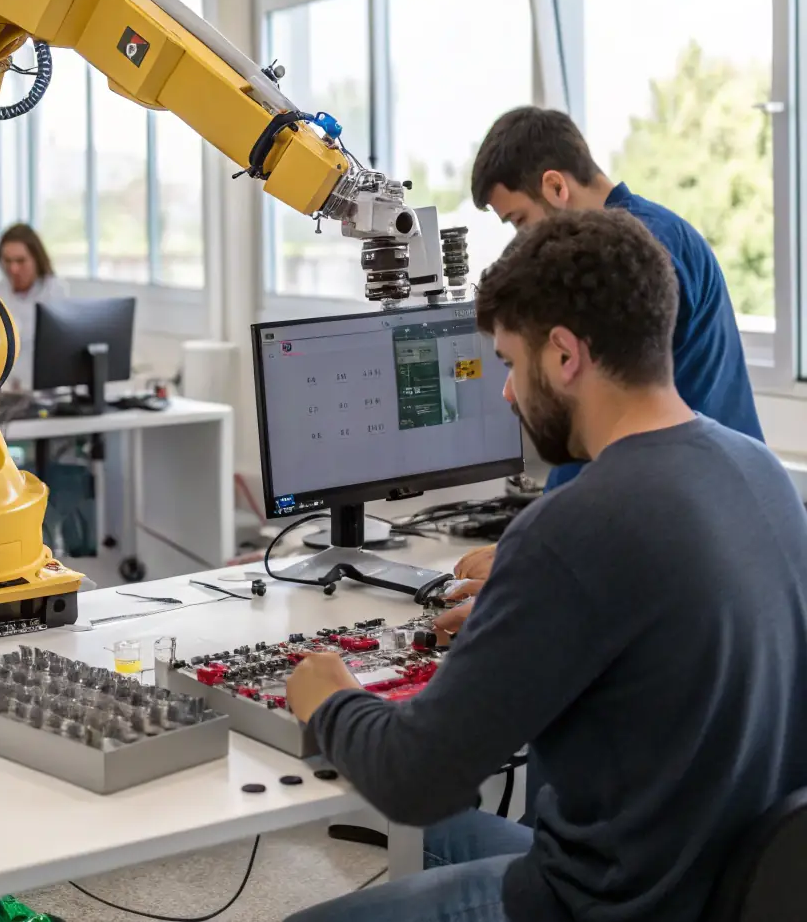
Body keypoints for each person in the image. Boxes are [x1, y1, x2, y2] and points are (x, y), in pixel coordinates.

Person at [283, 210, 807, 922]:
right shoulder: (761, 471)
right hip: (727, 881)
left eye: (509, 362)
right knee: (439, 837)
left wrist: (331, 696)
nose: (505, 392)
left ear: (564, 355)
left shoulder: (572, 527)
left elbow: (414, 779)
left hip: (604, 905)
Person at [446, 105, 763, 612]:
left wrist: (534, 551)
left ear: (555, 187)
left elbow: (600, 416)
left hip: (687, 523)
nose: (525, 244)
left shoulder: (635, 252)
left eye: (520, 221)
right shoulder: (657, 232)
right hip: (711, 509)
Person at [0, 223, 66, 391]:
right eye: (7, 261)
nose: (13, 269)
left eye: (21, 261)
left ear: (36, 260)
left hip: (44, 388)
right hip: (4, 389)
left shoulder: (54, 291)